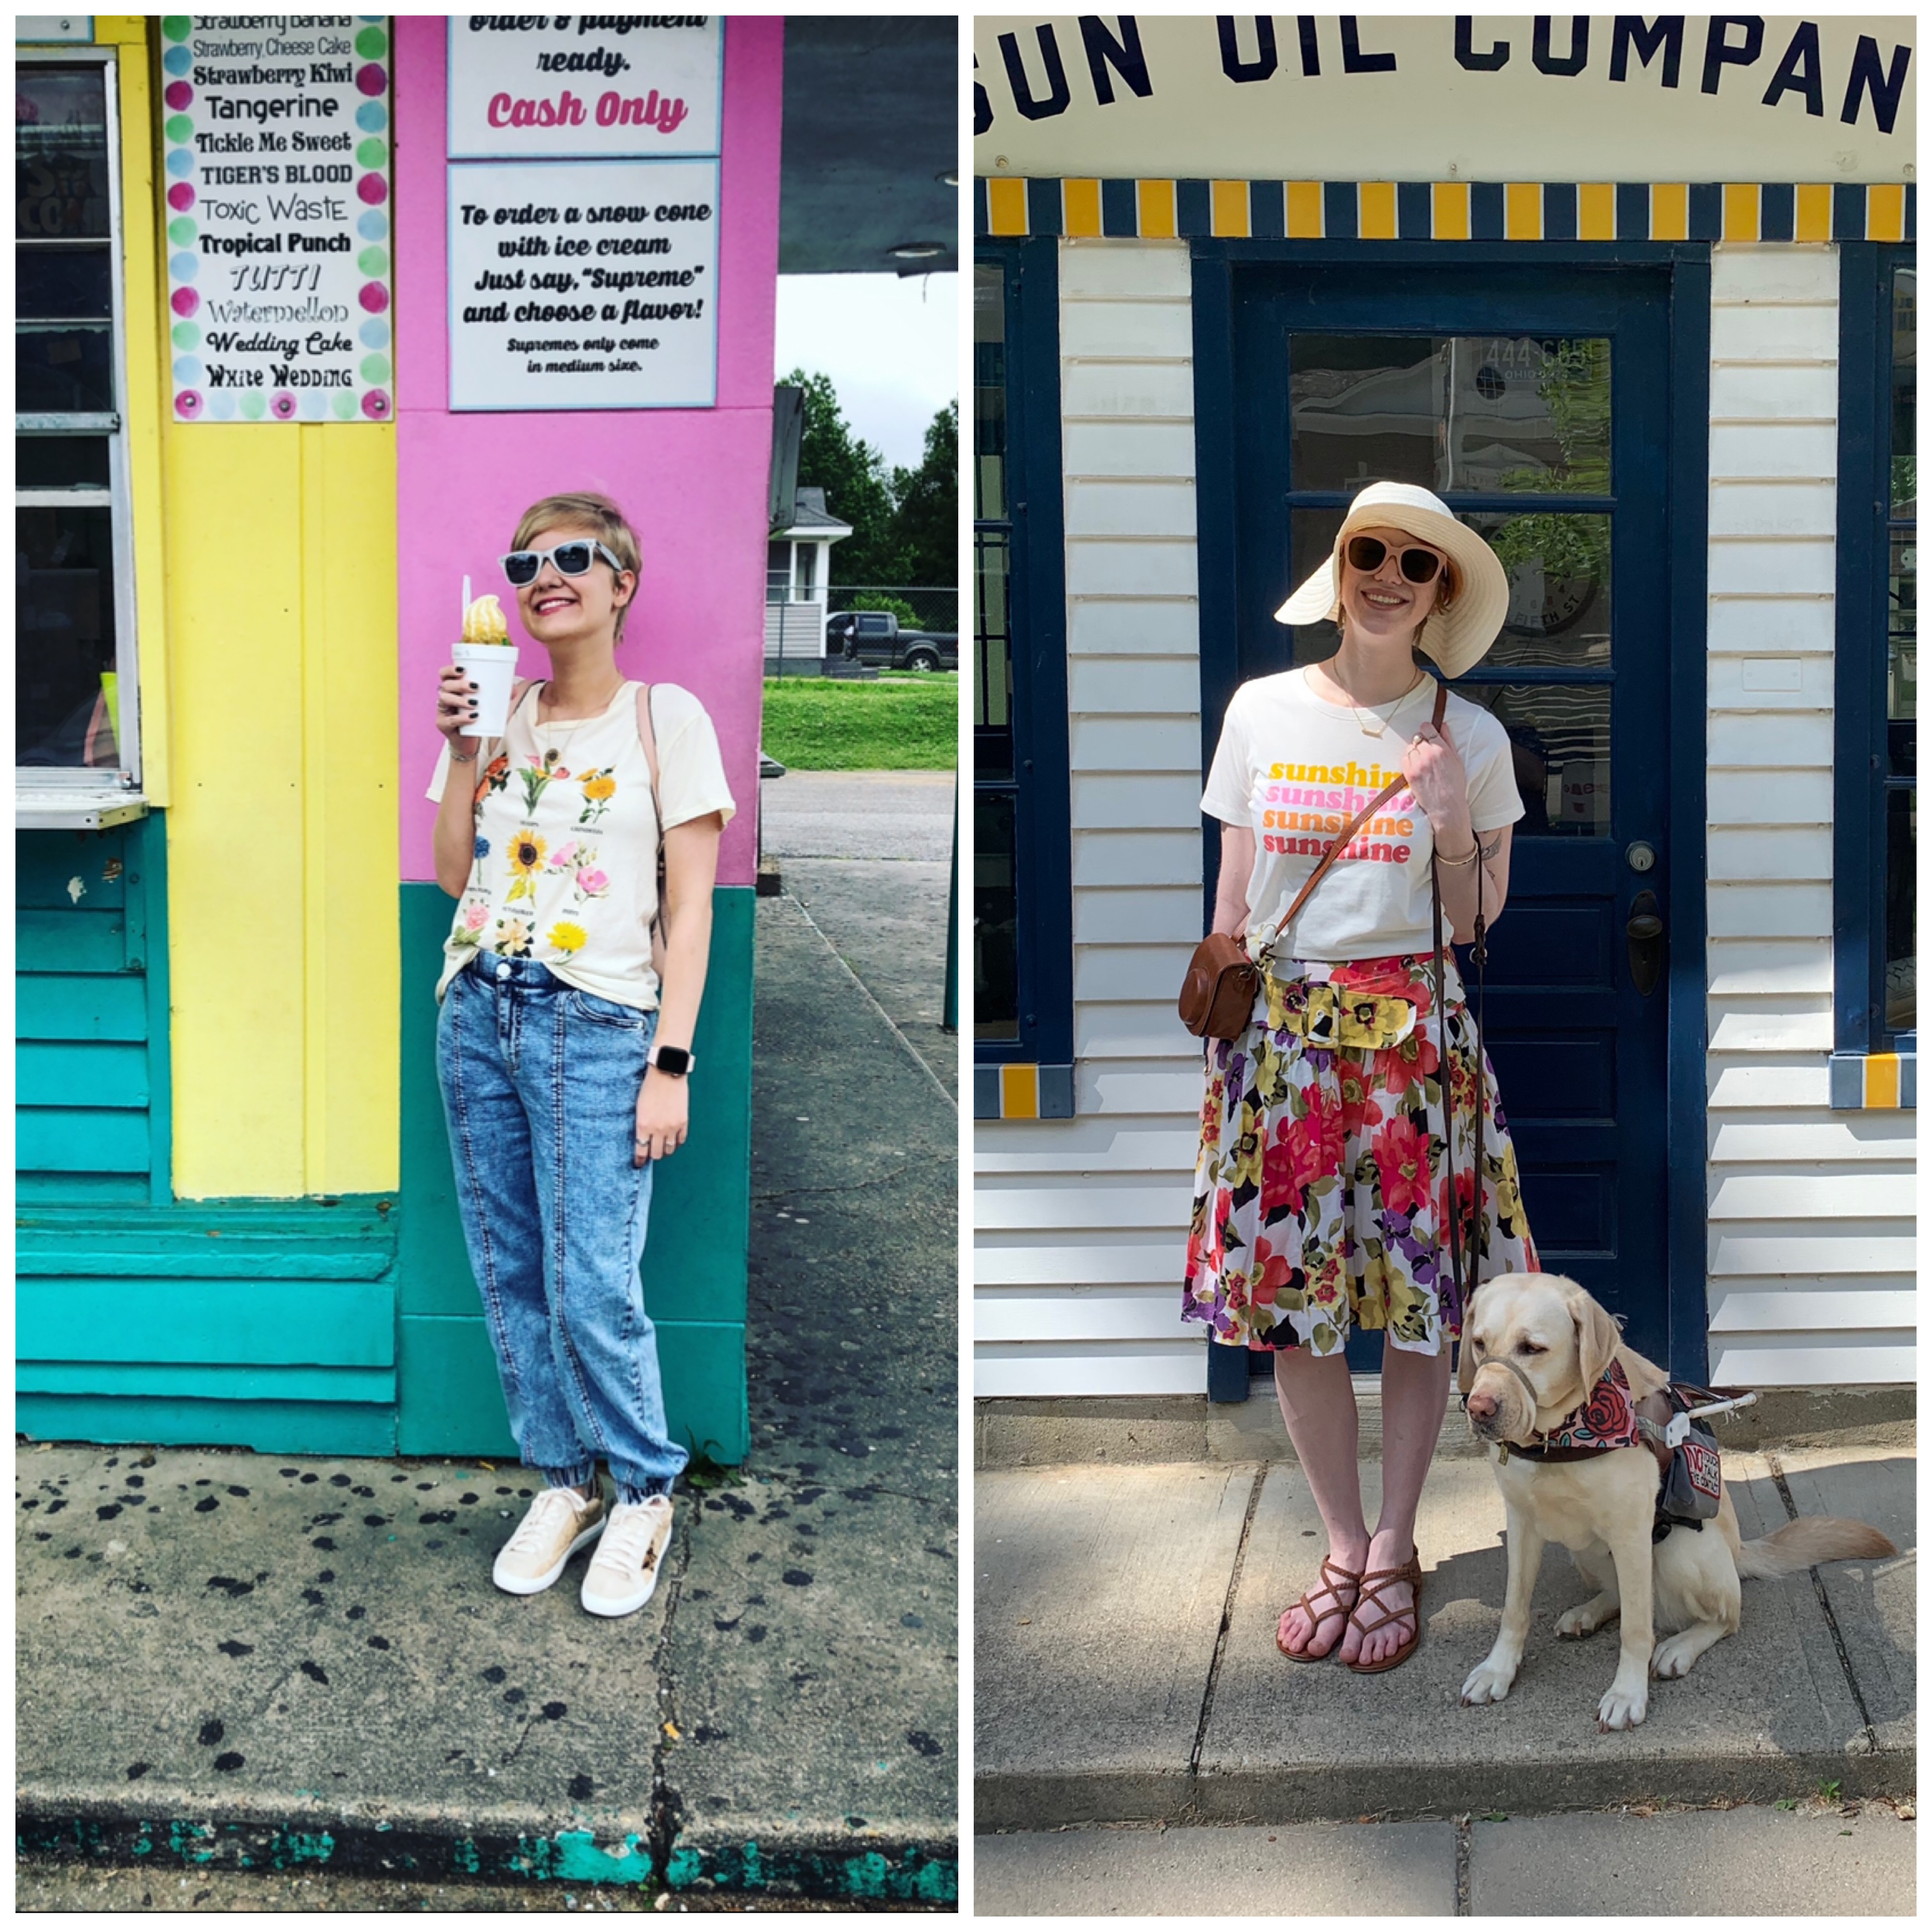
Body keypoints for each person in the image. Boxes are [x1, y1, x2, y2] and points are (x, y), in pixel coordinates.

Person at [1182, 480, 1539, 1673]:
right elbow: (1233, 891)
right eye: (1367, 552)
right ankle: (1338, 1542)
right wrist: (1227, 1035)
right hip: (1283, 1046)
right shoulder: (1260, 711)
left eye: (1416, 564)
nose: (1387, 575)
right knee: (1298, 1314)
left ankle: (1394, 1545)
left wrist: (1449, 823)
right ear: (1338, 571)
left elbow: (1474, 921)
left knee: (1423, 1309)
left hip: (1411, 1047)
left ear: (1440, 596)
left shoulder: (1469, 739)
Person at [427, 491, 734, 1618]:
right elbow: (455, 870)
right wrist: (460, 750)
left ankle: (646, 1488)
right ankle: (564, 1482)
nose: (542, 573)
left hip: (598, 1021)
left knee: (591, 1277)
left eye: (572, 556)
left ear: (621, 584)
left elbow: (691, 914)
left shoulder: (667, 718)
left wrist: (672, 1062)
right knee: (508, 1267)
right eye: (526, 559)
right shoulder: (497, 710)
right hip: (478, 1009)